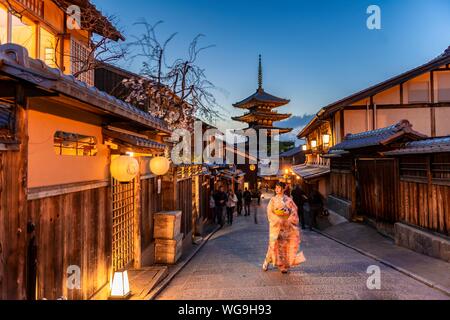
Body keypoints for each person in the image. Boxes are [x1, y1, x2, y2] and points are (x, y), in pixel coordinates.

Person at [263, 182, 306, 274]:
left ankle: (282, 265)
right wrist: (277, 219)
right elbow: (269, 212)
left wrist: (289, 219)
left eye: (278, 187)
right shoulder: (273, 200)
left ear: (283, 189)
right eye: (276, 187)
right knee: (273, 245)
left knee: (283, 247)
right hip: (276, 226)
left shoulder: (289, 200)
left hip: (286, 226)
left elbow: (294, 210)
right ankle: (267, 261)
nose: (276, 189)